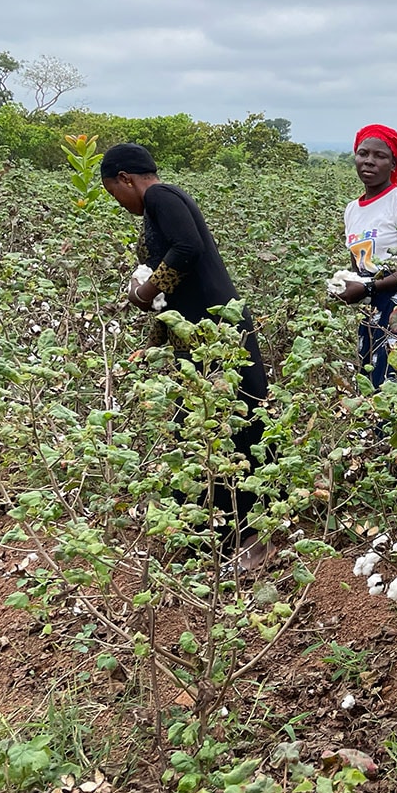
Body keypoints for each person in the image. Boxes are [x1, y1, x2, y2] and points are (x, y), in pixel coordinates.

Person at [101, 142, 271, 565]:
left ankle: (253, 534)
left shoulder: (161, 196)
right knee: (202, 426)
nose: (118, 202)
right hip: (199, 335)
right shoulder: (160, 204)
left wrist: (144, 291)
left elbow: (187, 249)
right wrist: (154, 337)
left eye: (113, 192)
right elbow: (178, 276)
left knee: (235, 424)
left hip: (217, 333)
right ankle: (212, 530)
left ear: (125, 179)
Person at [332, 124, 397, 388]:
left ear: (393, 164)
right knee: (370, 380)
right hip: (371, 306)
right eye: (363, 153)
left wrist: (369, 287)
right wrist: (347, 286)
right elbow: (358, 263)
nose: (369, 161)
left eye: (380, 156)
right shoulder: (352, 209)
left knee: (396, 382)